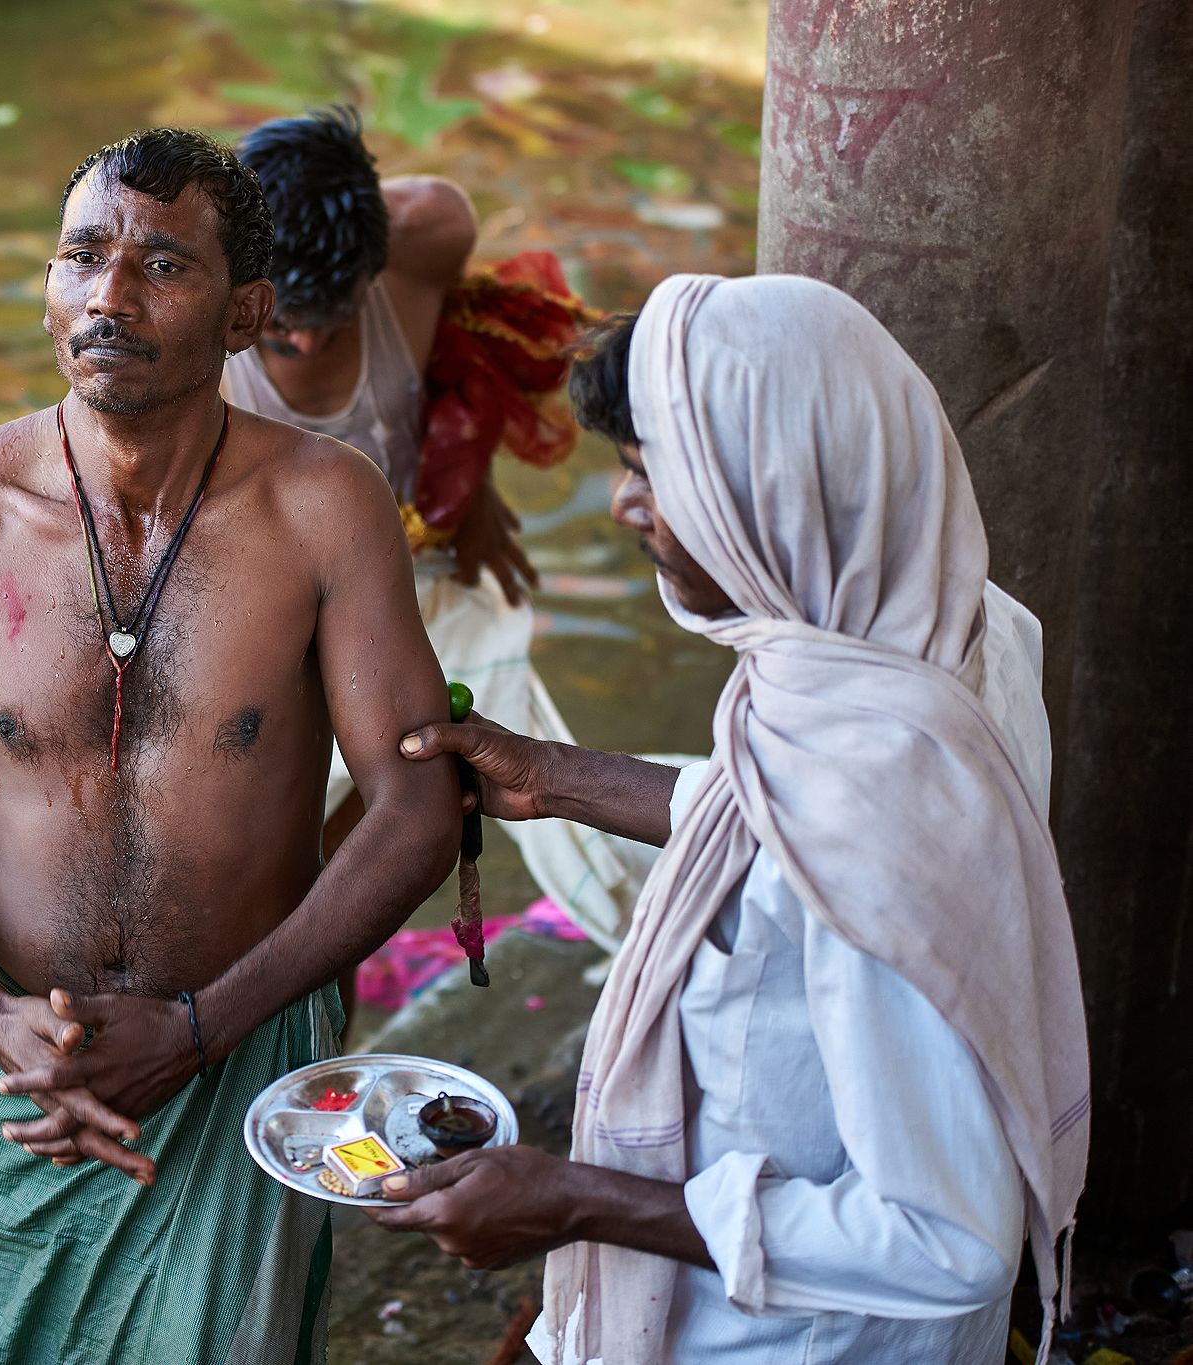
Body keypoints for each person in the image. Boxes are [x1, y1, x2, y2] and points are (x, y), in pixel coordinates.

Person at [0, 128, 458, 1364]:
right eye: (81, 256)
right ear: (45, 288)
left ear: (244, 313)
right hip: (19, 1077)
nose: (108, 295)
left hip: (241, 1057)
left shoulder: (323, 510)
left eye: (161, 265)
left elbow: (414, 810)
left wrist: (204, 1026)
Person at [364, 275, 1090, 1365]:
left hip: (784, 1328)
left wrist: (577, 1200)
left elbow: (946, 1241)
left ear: (777, 491)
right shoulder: (947, 637)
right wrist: (559, 779)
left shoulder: (873, 798)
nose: (624, 507)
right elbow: (785, 830)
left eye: (657, 476)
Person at [231, 107, 655, 956]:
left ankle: (652, 933)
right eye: (280, 326)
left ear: (377, 261)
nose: (308, 337)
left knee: (368, 846)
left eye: (334, 315)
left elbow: (458, 357)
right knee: (261, 870)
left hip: (408, 581)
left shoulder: (427, 235)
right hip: (261, 606)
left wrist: (471, 481)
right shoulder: (185, 306)